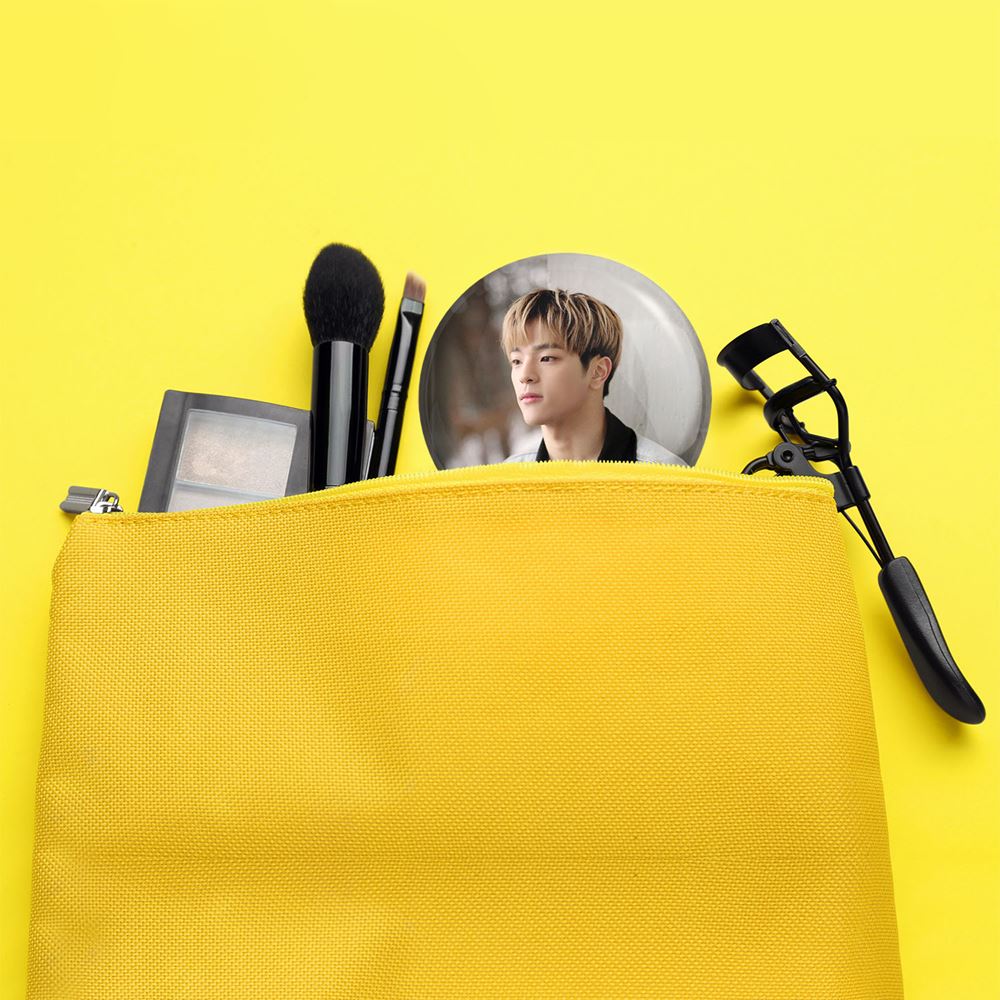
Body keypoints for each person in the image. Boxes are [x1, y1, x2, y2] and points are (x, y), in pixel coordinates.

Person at [500, 288, 687, 465]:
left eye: (546, 358)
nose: (525, 376)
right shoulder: (509, 479)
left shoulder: (664, 476)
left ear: (598, 372)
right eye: (516, 361)